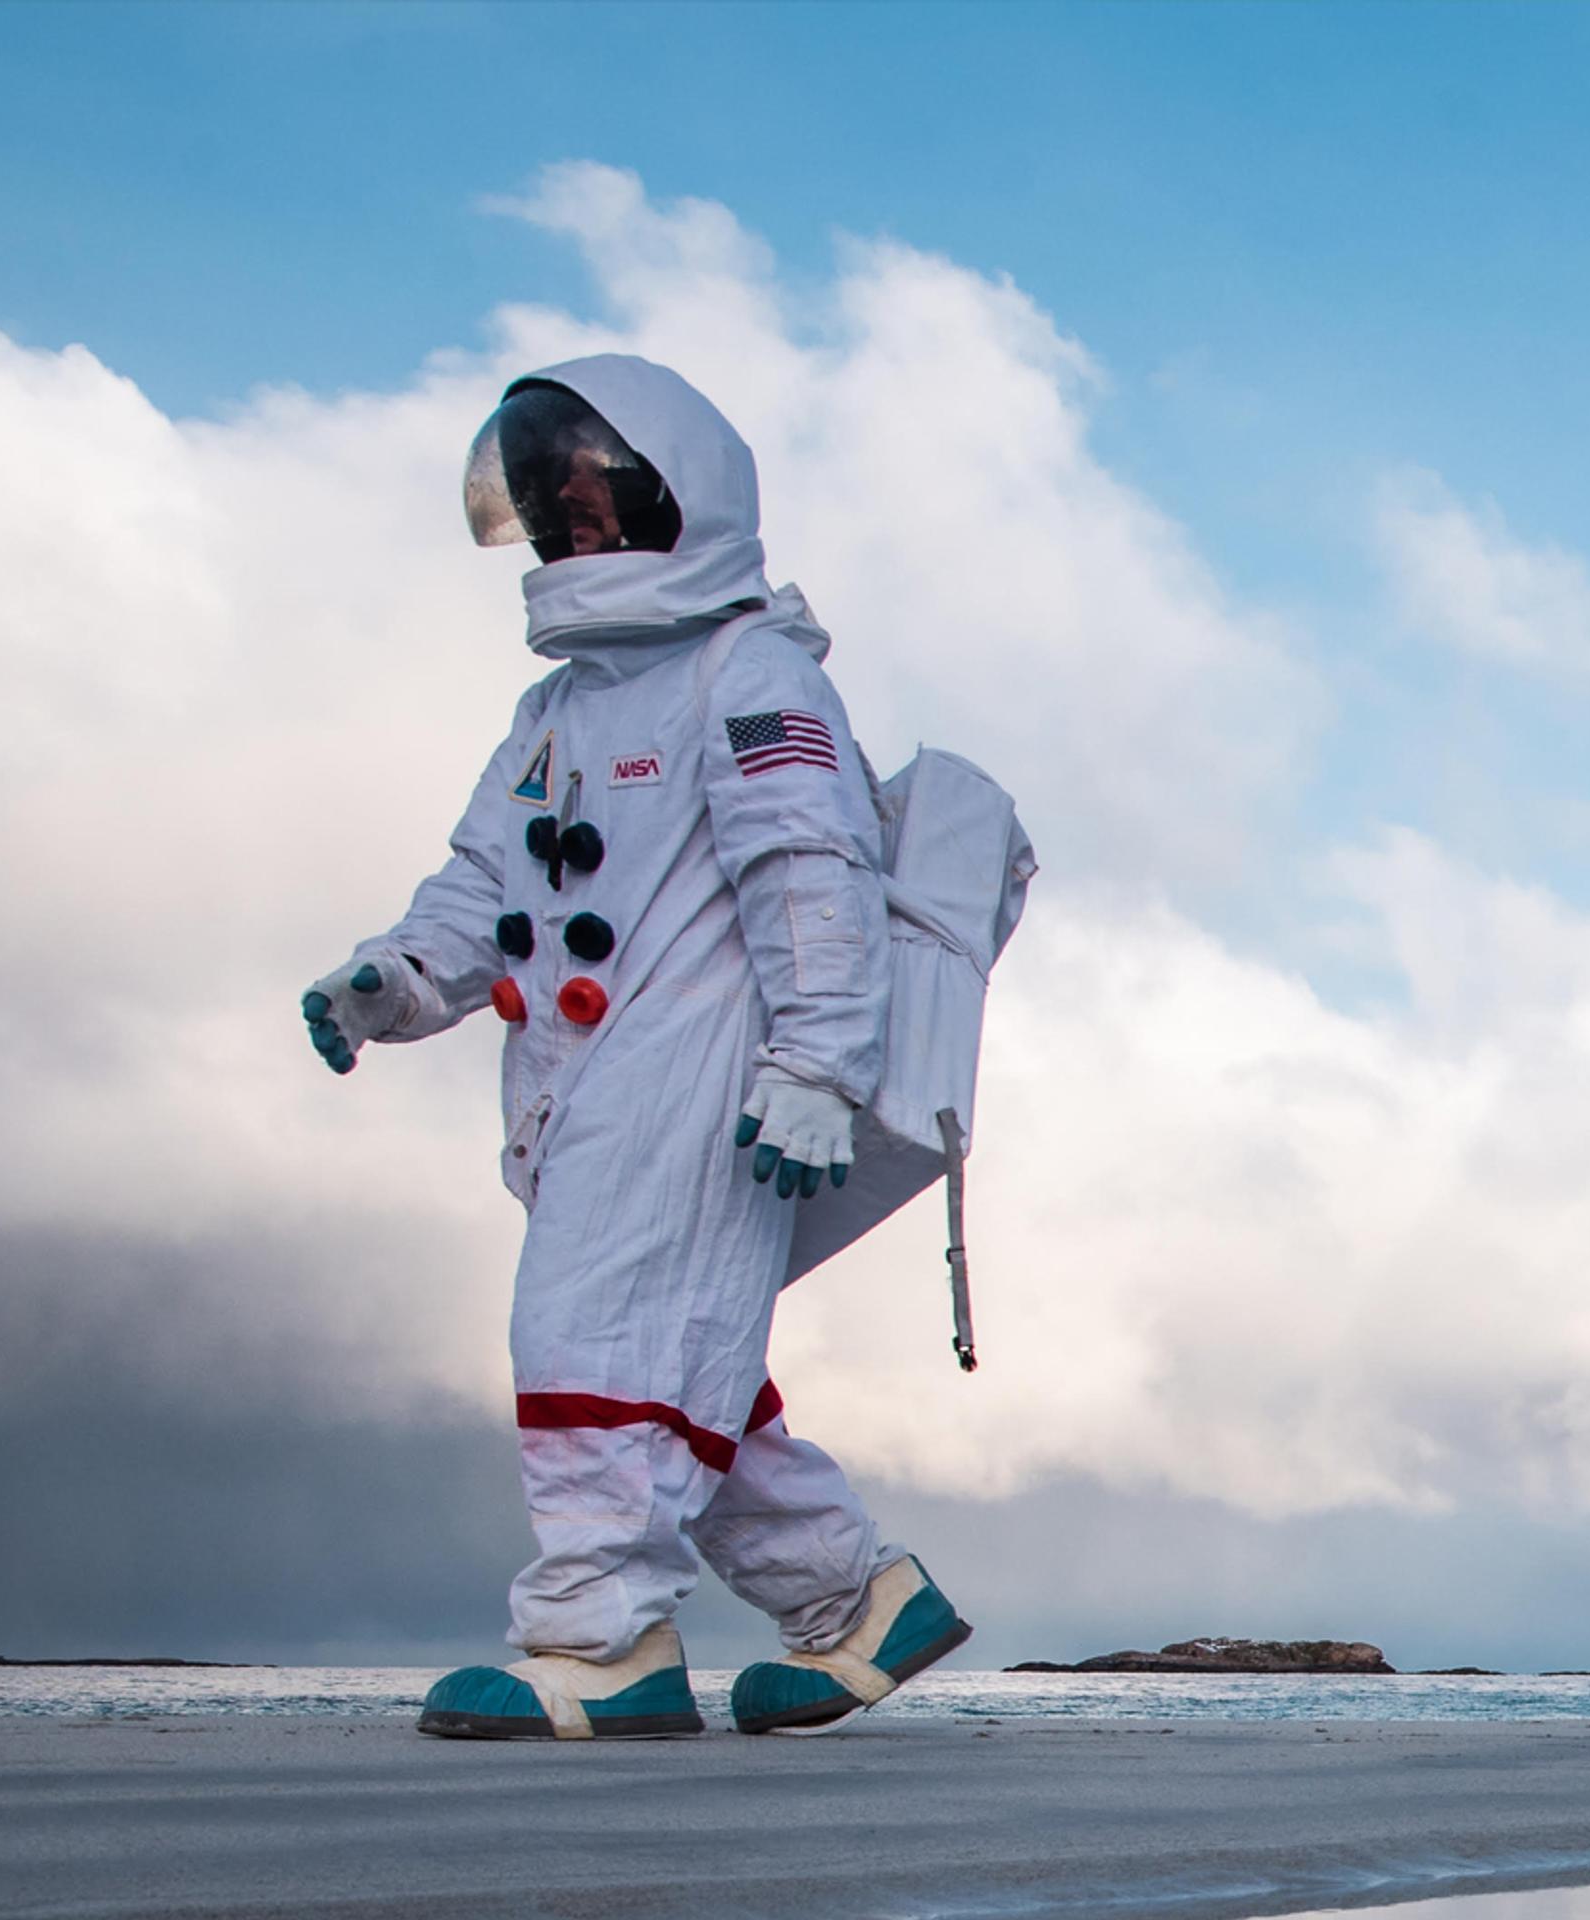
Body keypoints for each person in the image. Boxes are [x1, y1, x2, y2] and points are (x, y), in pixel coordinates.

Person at [302, 354, 970, 1738]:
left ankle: (598, 1637)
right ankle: (853, 1598)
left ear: (680, 498)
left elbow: (814, 878)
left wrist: (815, 1069)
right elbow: (486, 888)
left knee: (595, 1332)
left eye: (597, 492)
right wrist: (395, 980)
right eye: (553, 500)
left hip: (712, 1076)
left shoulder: (750, 672)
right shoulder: (555, 716)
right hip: (583, 1081)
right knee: (674, 1357)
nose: (574, 521)